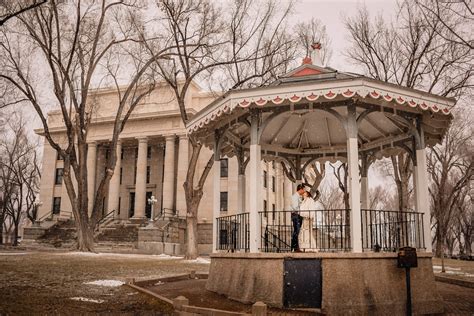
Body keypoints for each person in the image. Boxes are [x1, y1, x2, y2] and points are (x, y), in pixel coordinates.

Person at [290, 184, 306, 252]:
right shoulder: (294, 196)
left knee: (297, 232)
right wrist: (302, 205)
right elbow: (295, 207)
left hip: (298, 215)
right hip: (295, 215)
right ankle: (294, 248)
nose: (304, 191)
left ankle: (296, 247)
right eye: (304, 189)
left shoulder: (299, 197)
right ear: (301, 189)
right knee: (296, 231)